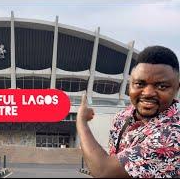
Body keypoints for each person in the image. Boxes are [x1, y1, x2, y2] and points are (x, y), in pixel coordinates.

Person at [76, 46, 180, 178]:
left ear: (177, 88)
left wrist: (81, 121)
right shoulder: (122, 117)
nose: (148, 93)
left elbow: (104, 171)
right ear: (129, 84)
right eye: (140, 84)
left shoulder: (173, 135)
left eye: (162, 86)